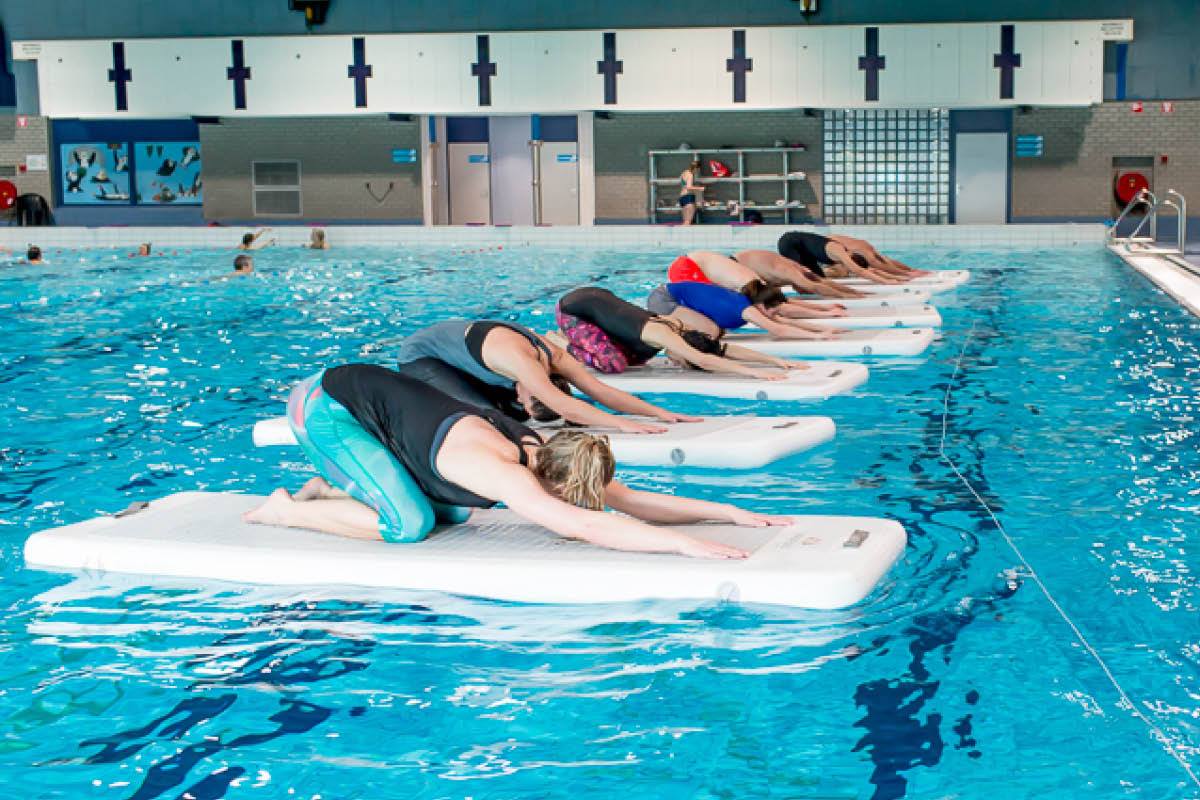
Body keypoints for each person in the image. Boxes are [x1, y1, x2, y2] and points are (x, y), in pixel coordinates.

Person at [244, 364, 789, 556]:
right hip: (323, 408)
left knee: (453, 516)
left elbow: (632, 502)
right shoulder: (497, 469)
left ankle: (328, 488)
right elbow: (581, 521)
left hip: (377, 409)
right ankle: (284, 509)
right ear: (551, 485)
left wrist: (734, 515)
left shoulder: (547, 452)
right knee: (409, 526)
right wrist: (683, 547)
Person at [396, 320, 697, 435]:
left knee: (511, 413)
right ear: (538, 384)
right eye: (525, 398)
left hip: (466, 358)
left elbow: (601, 391)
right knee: (487, 418)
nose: (519, 396)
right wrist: (622, 424)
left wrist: (661, 413)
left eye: (524, 399)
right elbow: (565, 406)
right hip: (422, 357)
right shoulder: (522, 363)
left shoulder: (558, 360)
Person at [555, 286, 801, 378]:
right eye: (685, 362)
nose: (680, 364)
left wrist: (774, 361)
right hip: (573, 310)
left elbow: (720, 349)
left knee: (637, 359)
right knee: (613, 364)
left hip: (599, 297)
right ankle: (560, 340)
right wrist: (753, 374)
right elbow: (704, 358)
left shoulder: (682, 329)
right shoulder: (664, 335)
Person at [647, 280, 844, 341]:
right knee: (711, 333)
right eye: (773, 310)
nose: (776, 314)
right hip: (664, 299)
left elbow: (779, 323)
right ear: (760, 307)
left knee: (714, 331)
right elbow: (777, 329)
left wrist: (819, 329)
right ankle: (675, 351)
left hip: (675, 296)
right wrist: (818, 338)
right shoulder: (743, 308)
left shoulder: (749, 304)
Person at [777, 231, 930, 285]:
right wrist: (901, 276)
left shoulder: (864, 251)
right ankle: (777, 281)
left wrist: (909, 271)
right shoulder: (847, 253)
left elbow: (883, 264)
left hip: (811, 246)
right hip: (795, 243)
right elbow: (872, 269)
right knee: (802, 277)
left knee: (818, 279)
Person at [733, 249, 868, 300]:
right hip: (734, 265)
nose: (804, 293)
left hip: (740, 261)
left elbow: (819, 281)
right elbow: (814, 286)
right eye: (805, 291)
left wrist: (855, 292)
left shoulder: (792, 269)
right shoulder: (790, 272)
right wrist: (846, 296)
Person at [679, 160, 705, 226]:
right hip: (688, 197)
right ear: (697, 168)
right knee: (688, 222)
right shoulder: (690, 175)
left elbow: (684, 185)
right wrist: (700, 188)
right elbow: (689, 187)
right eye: (698, 170)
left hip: (682, 197)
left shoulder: (684, 172)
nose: (698, 172)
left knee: (685, 222)